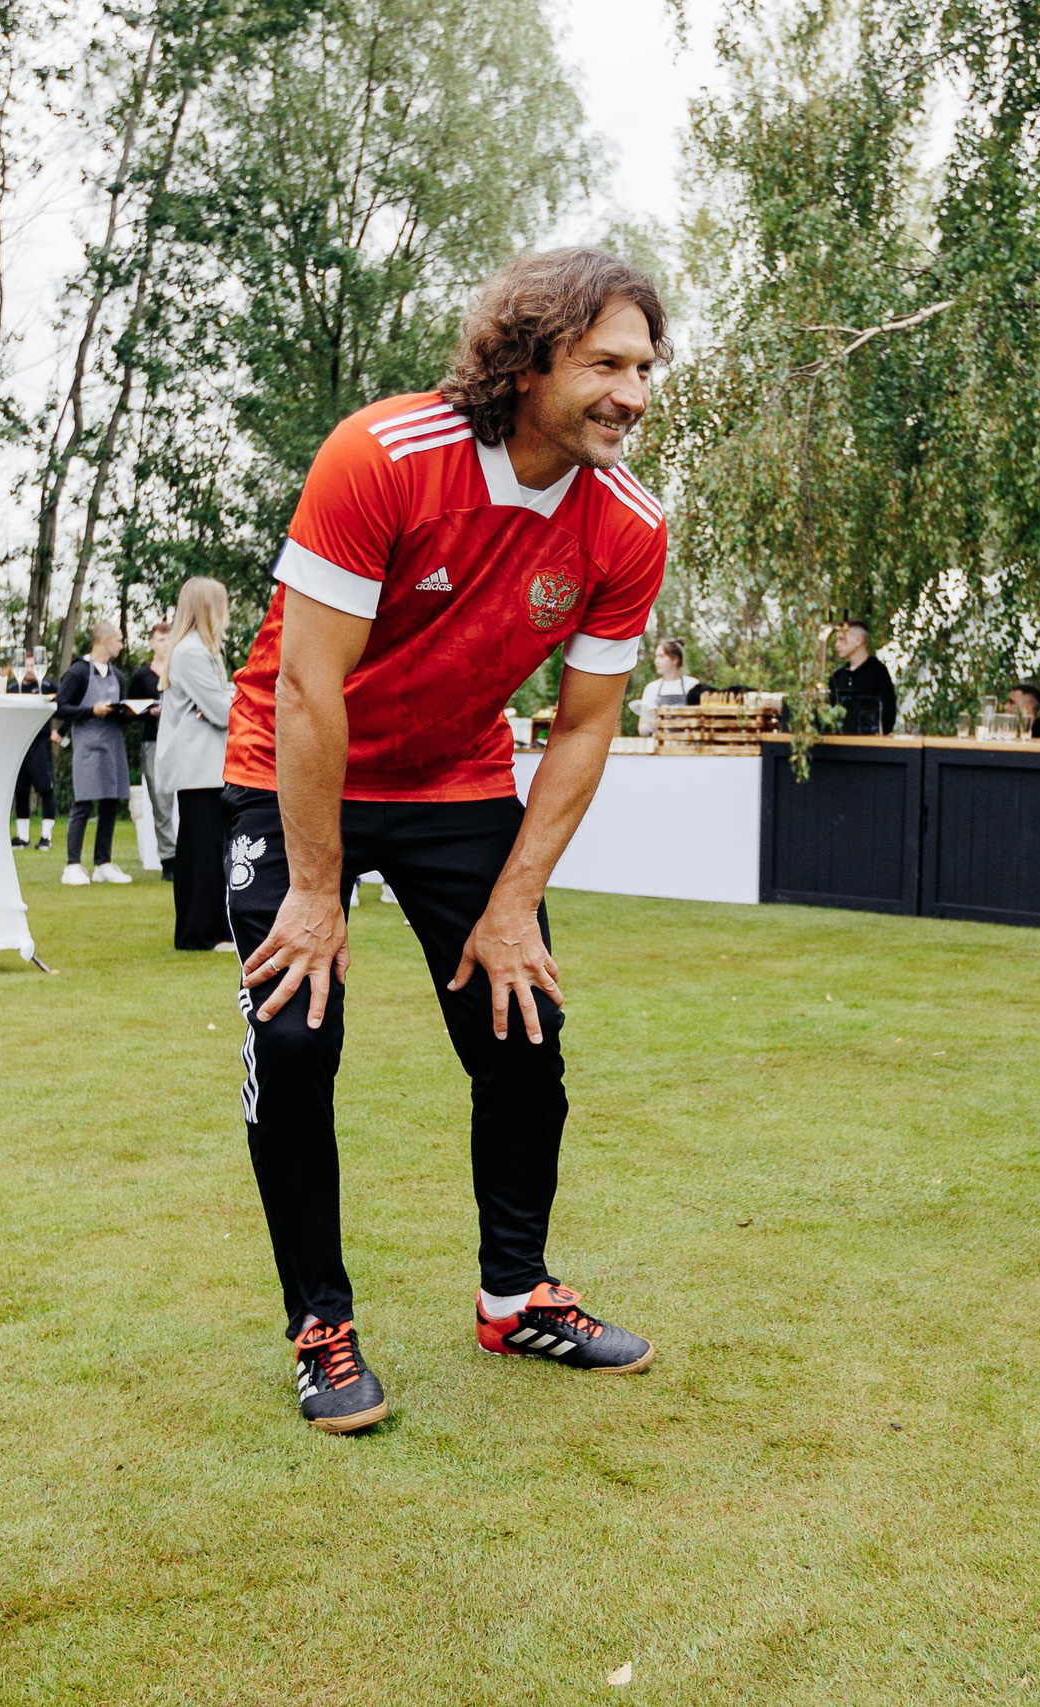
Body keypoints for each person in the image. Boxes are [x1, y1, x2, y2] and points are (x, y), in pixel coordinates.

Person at [224, 247, 671, 1433]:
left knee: (522, 1027)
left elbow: (583, 730)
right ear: (526, 361)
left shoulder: (627, 526)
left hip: (455, 782)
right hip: (296, 768)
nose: (632, 392)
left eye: (645, 366)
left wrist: (516, 899)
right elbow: (311, 690)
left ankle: (515, 1294)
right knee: (299, 1035)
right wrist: (314, 895)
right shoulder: (382, 457)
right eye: (604, 364)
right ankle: (320, 1324)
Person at [154, 578, 236, 950]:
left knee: (205, 847)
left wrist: (226, 698)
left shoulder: (204, 650)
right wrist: (227, 699)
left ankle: (207, 928)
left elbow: (222, 703)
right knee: (201, 850)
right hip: (198, 765)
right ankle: (199, 932)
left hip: (205, 764)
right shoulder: (191, 652)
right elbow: (222, 710)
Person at [54, 620, 133, 885]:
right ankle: (72, 865)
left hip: (113, 742)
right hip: (88, 744)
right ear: (103, 640)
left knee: (111, 802)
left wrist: (135, 712)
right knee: (83, 803)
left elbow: (121, 713)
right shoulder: (77, 672)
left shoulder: (118, 675)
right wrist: (91, 711)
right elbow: (60, 708)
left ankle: (103, 863)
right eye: (119, 640)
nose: (122, 645)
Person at [127, 617, 173, 875]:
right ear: (151, 643)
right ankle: (169, 857)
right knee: (160, 799)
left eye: (168, 638)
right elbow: (129, 710)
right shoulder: (141, 675)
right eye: (159, 639)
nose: (164, 644)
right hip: (153, 740)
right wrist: (148, 712)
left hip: (180, 741)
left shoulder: (180, 668)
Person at [9, 653, 57, 849]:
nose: (29, 669)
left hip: (40, 742)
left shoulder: (47, 687)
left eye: (32, 665)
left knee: (45, 789)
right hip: (18, 743)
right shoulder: (11, 688)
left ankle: (46, 836)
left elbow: (64, 704)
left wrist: (59, 732)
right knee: (20, 790)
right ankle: (22, 837)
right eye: (25, 665)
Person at [826, 619, 897, 734]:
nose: (836, 644)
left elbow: (888, 713)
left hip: (870, 745)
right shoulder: (837, 677)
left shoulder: (878, 673)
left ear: (858, 640)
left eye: (842, 639)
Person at [631, 637, 704, 732]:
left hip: (687, 745)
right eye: (656, 656)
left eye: (661, 656)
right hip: (661, 744)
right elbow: (641, 729)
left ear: (675, 659)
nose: (656, 661)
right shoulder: (652, 688)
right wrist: (653, 725)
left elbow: (702, 722)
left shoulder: (692, 685)